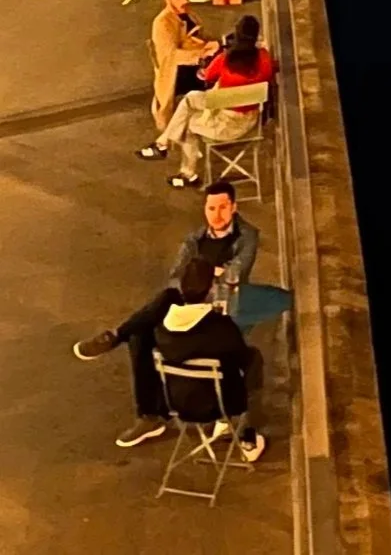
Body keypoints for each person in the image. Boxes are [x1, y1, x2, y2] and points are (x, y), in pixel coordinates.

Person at [74, 190, 263, 429]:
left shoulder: (247, 236)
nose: (216, 215)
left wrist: (200, 276)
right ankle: (148, 414)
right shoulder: (194, 240)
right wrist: (208, 276)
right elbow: (176, 278)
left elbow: (237, 274)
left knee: (156, 320)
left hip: (220, 305)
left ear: (234, 207)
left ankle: (118, 339)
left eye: (223, 207)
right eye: (211, 208)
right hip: (191, 301)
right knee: (142, 332)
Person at [89, 245, 266, 461]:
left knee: (139, 334)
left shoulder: (163, 329)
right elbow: (240, 357)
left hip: (174, 402)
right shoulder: (221, 328)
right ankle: (247, 435)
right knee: (253, 358)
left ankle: (117, 339)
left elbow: (159, 316)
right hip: (218, 405)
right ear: (211, 289)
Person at [140, 14, 275, 181]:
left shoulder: (226, 59)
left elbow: (207, 76)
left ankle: (182, 166)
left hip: (225, 123)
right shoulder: (263, 58)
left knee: (187, 121)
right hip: (251, 120)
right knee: (190, 103)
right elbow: (269, 71)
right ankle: (167, 149)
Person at [149, 0, 213, 129]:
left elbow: (197, 37)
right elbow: (171, 55)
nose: (184, 1)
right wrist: (202, 53)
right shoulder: (162, 23)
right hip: (178, 72)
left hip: (195, 62)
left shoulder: (189, 13)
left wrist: (210, 44)